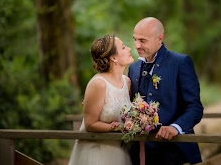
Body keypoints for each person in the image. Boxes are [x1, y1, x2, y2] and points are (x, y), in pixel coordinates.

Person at [128, 17, 204, 165]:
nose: (137, 45)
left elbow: (195, 107)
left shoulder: (181, 62)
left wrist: (175, 128)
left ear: (159, 38)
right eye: (135, 39)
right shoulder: (133, 68)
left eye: (142, 41)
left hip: (174, 151)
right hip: (140, 152)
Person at [69, 34, 134, 165]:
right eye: (123, 47)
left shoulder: (127, 82)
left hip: (119, 150)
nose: (129, 49)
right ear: (113, 57)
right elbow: (90, 124)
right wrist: (113, 127)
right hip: (96, 151)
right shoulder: (98, 84)